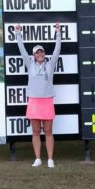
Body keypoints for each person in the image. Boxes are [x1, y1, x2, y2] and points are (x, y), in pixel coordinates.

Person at [14, 22, 61, 168]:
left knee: (48, 131)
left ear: (44, 54)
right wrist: (18, 34)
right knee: (35, 131)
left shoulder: (50, 64)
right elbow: (21, 50)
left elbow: (57, 49)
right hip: (34, 101)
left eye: (41, 52)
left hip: (47, 100)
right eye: (37, 52)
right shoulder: (30, 64)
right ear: (33, 55)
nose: (40, 54)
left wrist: (58, 32)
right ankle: (38, 158)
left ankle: (50, 159)